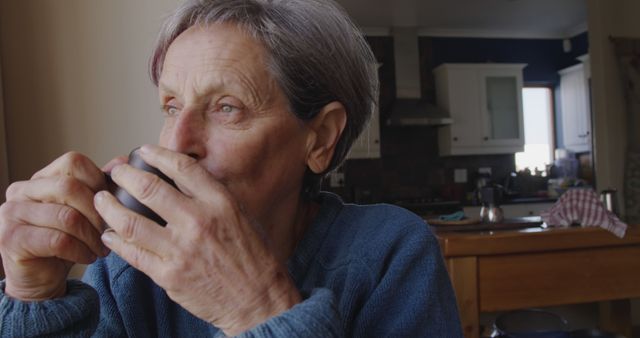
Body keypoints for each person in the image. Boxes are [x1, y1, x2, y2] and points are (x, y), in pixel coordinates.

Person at [0, 0, 462, 336]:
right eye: (171, 105)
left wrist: (257, 308)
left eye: (226, 107)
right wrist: (35, 299)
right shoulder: (131, 266)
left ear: (319, 138)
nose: (178, 143)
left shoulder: (392, 254)